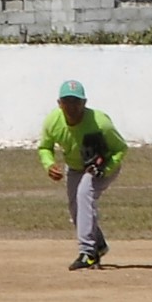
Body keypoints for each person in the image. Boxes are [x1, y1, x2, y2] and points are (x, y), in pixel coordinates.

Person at [35, 79, 127, 270]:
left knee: (84, 194)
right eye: (67, 101)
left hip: (101, 166)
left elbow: (120, 148)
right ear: (59, 103)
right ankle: (98, 244)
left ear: (84, 103)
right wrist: (49, 164)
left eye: (76, 101)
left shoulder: (100, 123)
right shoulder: (53, 122)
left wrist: (105, 169)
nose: (72, 106)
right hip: (75, 167)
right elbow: (45, 147)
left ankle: (88, 253)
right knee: (76, 208)